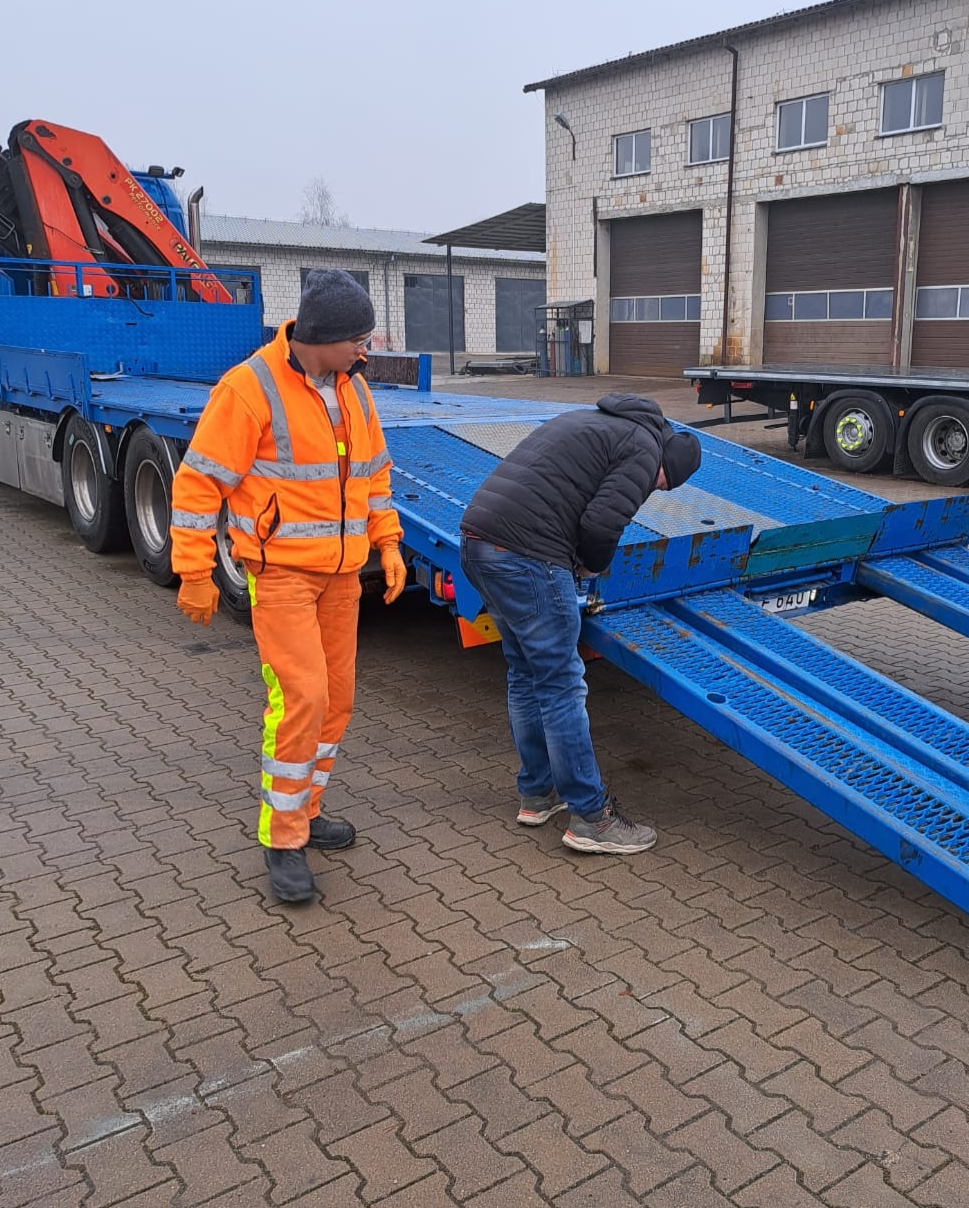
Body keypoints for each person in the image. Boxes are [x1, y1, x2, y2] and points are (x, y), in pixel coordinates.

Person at [170, 268, 406, 903]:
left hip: (342, 578)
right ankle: (282, 838)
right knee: (300, 698)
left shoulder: (353, 388)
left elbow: (373, 474)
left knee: (337, 700)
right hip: (280, 579)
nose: (367, 348)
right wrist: (194, 571)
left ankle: (307, 808)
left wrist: (387, 541)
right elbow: (198, 485)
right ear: (320, 337)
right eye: (358, 338)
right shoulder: (248, 388)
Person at [460, 394, 702, 855]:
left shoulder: (594, 421)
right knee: (561, 685)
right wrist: (591, 567)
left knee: (527, 674)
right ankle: (592, 816)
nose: (654, 488)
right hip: (526, 556)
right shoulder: (645, 450)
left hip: (479, 542)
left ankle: (537, 792)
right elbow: (601, 524)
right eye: (662, 484)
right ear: (667, 464)